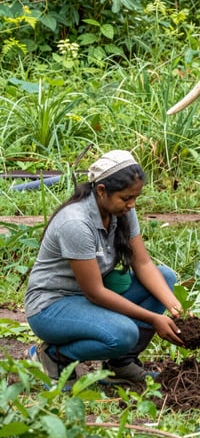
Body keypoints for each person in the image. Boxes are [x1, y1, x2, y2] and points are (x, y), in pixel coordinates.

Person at [24, 149, 185, 385]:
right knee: (124, 333)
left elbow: (143, 262)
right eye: (126, 198)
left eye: (135, 198)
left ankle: (119, 364)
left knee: (165, 278)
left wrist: (173, 306)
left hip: (87, 300)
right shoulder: (76, 223)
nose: (132, 204)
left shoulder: (121, 211)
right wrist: (153, 319)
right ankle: (54, 356)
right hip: (52, 307)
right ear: (101, 191)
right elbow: (95, 292)